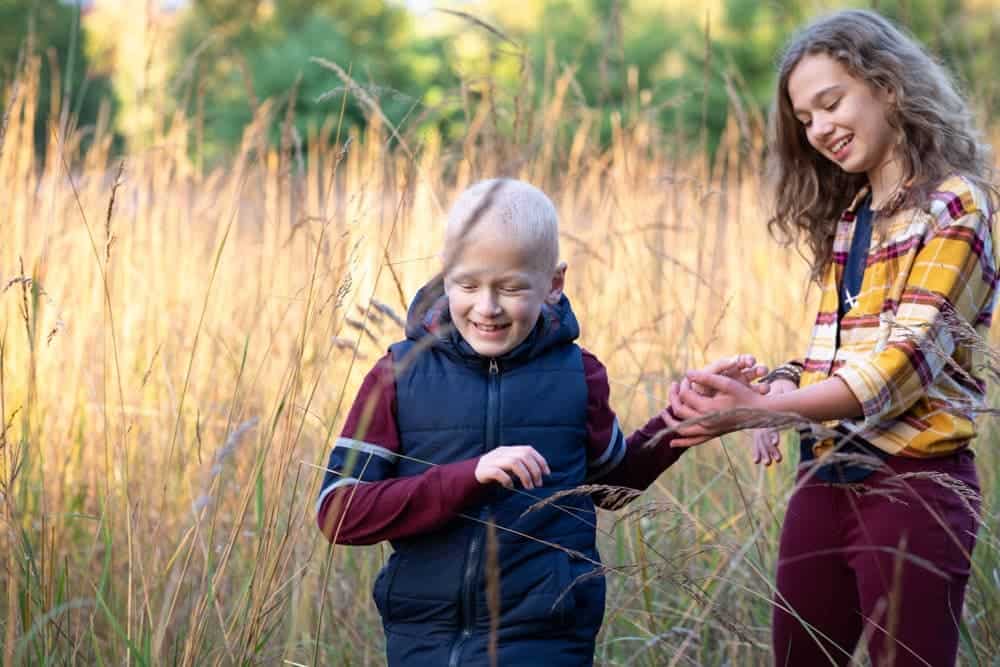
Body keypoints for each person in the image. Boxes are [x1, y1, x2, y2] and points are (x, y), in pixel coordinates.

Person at [316, 178, 763, 666]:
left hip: (546, 635)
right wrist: (470, 476)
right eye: (467, 285)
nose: (486, 307)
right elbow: (340, 511)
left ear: (553, 283)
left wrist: (680, 420)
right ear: (445, 276)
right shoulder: (397, 376)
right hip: (425, 641)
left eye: (510, 288)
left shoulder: (579, 375)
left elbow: (611, 486)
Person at [666, 9, 997, 667]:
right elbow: (849, 353)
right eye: (805, 119)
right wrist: (785, 380)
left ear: (889, 87)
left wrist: (765, 411)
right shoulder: (853, 219)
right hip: (823, 476)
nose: (819, 129)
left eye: (830, 103)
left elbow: (898, 369)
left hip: (915, 486)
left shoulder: (955, 206)